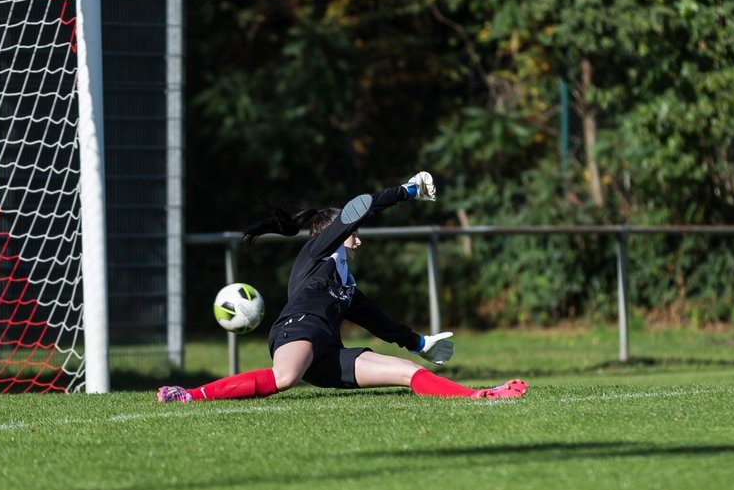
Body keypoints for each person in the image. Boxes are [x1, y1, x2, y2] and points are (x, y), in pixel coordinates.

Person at [158, 172, 526, 403]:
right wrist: (407, 191)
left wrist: (420, 344)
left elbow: (378, 322)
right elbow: (360, 206)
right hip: (298, 329)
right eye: (354, 233)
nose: (358, 241)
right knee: (284, 378)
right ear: (335, 232)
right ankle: (188, 394)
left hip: (327, 354)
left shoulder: (346, 285)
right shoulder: (317, 252)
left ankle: (479, 395)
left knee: (406, 372)